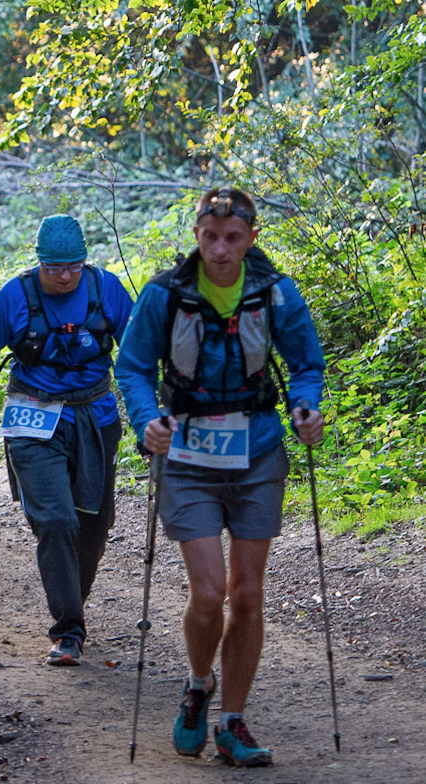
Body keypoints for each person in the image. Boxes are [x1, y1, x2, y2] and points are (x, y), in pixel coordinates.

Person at [114, 187, 326, 767]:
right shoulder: (166, 294)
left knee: (247, 595)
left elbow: (307, 362)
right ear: (197, 236)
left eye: (233, 238)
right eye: (210, 237)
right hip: (186, 456)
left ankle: (233, 722)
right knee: (208, 595)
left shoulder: (274, 292)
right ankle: (197, 684)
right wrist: (145, 420)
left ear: (251, 237)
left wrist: (306, 406)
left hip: (257, 452)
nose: (221, 250)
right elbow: (131, 368)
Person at [0, 214, 133, 666]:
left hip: (95, 417)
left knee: (94, 526)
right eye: (55, 268)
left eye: (73, 266)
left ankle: (71, 604)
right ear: (40, 262)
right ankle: (68, 630)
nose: (64, 276)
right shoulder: (15, 296)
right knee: (56, 520)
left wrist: (151, 417)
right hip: (32, 419)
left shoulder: (106, 289)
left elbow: (136, 355)